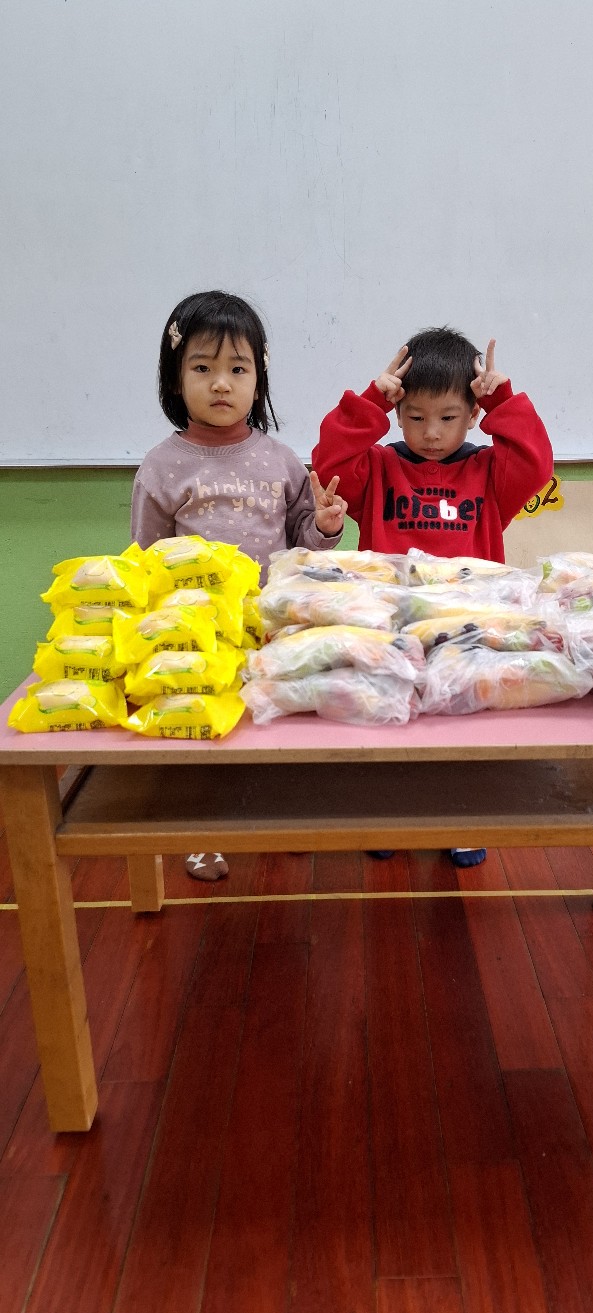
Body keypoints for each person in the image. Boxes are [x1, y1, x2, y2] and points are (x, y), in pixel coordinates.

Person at [312, 325, 553, 867]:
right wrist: (370, 402)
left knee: (465, 722)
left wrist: (503, 401)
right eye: (416, 417)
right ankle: (389, 814)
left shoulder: (490, 472)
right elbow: (330, 466)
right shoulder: (379, 467)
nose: (432, 433)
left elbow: (536, 465)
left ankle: (463, 817)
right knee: (389, 715)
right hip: (391, 621)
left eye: (448, 417)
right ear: (399, 413)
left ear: (472, 415)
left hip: (471, 623)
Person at [131, 290, 347, 879]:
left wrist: (326, 525)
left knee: (276, 722)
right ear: (175, 379)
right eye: (202, 368)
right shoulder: (161, 466)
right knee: (207, 732)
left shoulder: (281, 460)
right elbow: (145, 560)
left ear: (259, 379)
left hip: (271, 623)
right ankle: (204, 832)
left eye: (238, 368)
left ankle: (282, 818)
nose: (221, 383)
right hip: (197, 634)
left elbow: (303, 543)